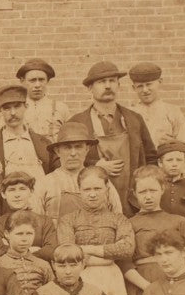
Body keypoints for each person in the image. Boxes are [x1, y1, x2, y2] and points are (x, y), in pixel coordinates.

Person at [66, 62, 157, 213]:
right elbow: (61, 162)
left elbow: (151, 158)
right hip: (93, 203)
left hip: (133, 204)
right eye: (102, 82)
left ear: (119, 85)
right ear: (90, 88)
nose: (108, 86)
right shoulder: (77, 122)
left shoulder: (134, 119)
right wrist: (95, 165)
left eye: (112, 81)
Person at [57, 166, 135, 295]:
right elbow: (68, 252)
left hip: (111, 277)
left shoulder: (119, 219)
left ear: (107, 189)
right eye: (87, 189)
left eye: (97, 189)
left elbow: (127, 249)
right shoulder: (68, 220)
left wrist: (88, 249)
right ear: (79, 190)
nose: (92, 194)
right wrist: (109, 256)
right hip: (80, 276)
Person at [127, 166, 185, 295]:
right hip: (142, 283)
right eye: (142, 192)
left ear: (162, 189)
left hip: (176, 282)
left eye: (153, 190)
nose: (148, 196)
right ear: (134, 193)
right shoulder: (128, 223)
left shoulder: (178, 221)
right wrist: (147, 286)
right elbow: (125, 263)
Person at [0, 83, 53, 184]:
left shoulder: (45, 144)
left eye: (17, 107)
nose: (12, 113)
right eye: (7, 108)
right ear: (0, 111)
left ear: (26, 106)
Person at [129, 64, 185, 171]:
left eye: (149, 84)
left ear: (160, 82)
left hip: (167, 173)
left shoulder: (173, 112)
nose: (145, 90)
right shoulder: (129, 114)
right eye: (140, 86)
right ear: (133, 88)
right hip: (139, 172)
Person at [36, 122, 100, 221]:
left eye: (78, 147)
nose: (73, 153)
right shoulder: (45, 183)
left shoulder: (100, 181)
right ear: (57, 151)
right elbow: (36, 223)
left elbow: (117, 218)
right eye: (67, 148)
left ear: (87, 149)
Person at [17, 59, 73, 141]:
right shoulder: (15, 109)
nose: (37, 85)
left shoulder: (61, 108)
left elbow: (71, 138)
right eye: (32, 80)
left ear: (47, 81)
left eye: (41, 80)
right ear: (23, 81)